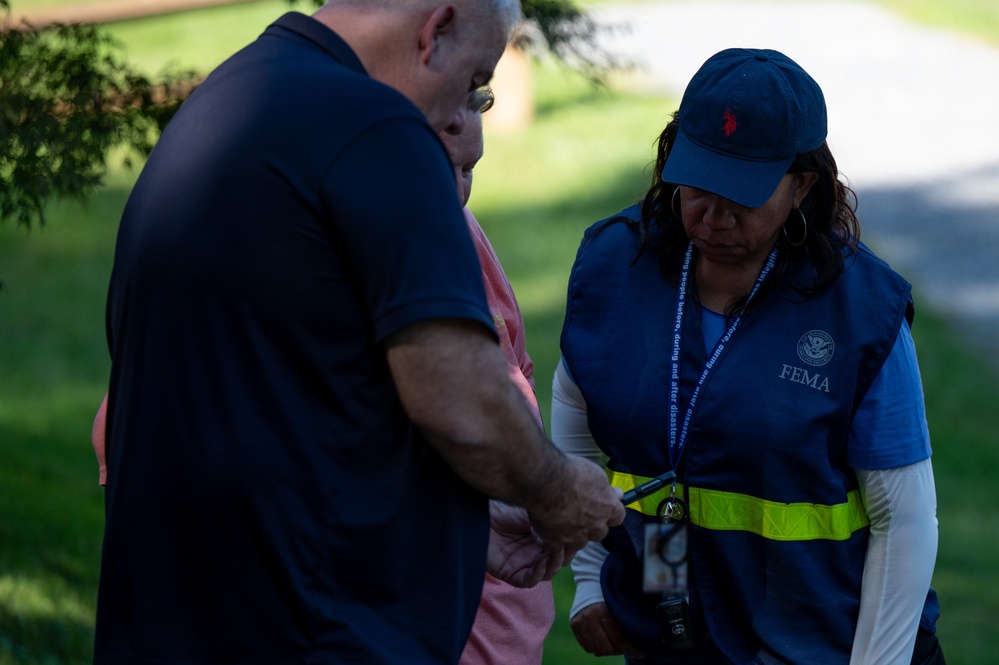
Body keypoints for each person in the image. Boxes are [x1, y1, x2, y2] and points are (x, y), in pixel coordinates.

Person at [95, 1, 625, 663]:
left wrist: (461, 520)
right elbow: (459, 396)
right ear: (435, 30)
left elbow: (274, 402)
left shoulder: (235, 94)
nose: (462, 119)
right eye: (471, 83)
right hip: (312, 635)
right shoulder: (377, 125)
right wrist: (555, 488)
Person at [551, 47, 943, 665]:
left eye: (742, 194)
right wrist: (592, 580)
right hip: (674, 640)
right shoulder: (615, 268)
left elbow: (907, 519)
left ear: (803, 186)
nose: (713, 215)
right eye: (697, 184)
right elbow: (591, 445)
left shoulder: (861, 313)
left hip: (830, 646)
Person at [440, 88, 556, 665]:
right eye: (444, 168)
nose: (457, 191)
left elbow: (521, 372)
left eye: (470, 171)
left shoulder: (459, 229)